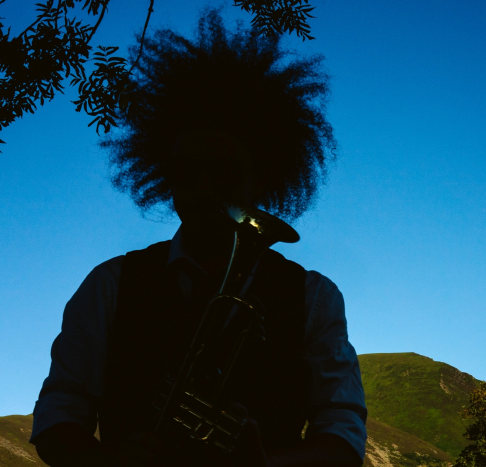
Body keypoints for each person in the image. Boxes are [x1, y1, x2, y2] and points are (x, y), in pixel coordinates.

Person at [29, 7, 367, 466]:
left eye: (224, 173)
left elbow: (343, 436)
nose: (204, 188)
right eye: (187, 172)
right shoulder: (109, 285)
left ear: (259, 182)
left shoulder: (314, 297)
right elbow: (57, 417)